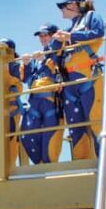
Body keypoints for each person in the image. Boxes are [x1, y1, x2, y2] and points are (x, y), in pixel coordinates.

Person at [52, 0, 105, 160]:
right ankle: (83, 162)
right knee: (75, 126)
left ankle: (104, 161)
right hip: (70, 81)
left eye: (63, 5)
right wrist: (56, 40)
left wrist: (70, 37)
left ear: (74, 5)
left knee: (95, 121)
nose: (61, 9)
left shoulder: (90, 16)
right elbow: (54, 55)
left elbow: (98, 32)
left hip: (87, 75)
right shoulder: (69, 29)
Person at [20, 24, 63, 164]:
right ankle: (39, 164)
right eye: (41, 36)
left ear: (53, 35)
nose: (43, 38)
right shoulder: (36, 57)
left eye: (46, 35)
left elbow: (61, 70)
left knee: (50, 135)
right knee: (27, 133)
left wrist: (44, 60)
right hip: (34, 100)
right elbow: (26, 79)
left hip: (50, 100)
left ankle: (48, 164)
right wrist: (26, 64)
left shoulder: (59, 51)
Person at [0, 39, 24, 165]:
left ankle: (9, 167)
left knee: (10, 139)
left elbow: (17, 84)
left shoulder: (16, 66)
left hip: (11, 109)